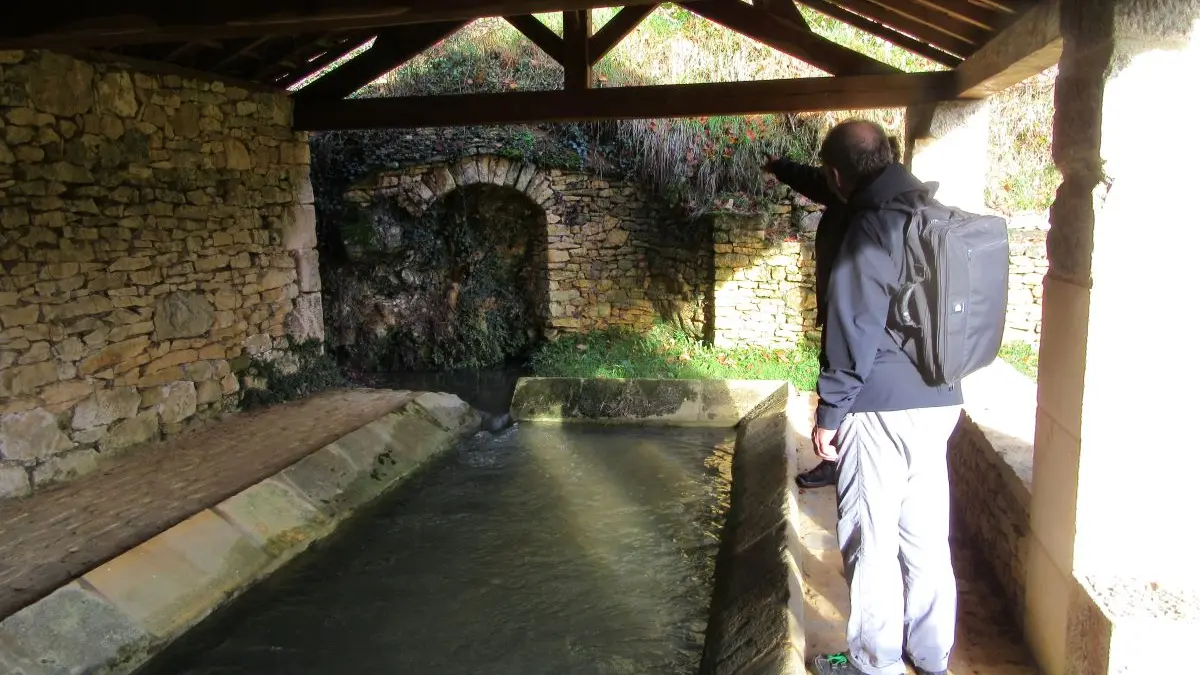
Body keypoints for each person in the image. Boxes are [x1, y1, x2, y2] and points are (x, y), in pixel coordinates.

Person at [806, 120, 963, 675]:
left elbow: (854, 324)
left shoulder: (871, 225)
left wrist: (831, 409)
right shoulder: (928, 210)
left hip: (881, 408)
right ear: (890, 155)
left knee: (870, 540)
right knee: (923, 538)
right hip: (941, 399)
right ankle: (930, 655)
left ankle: (874, 664)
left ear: (834, 174)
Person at [761, 135, 903, 489]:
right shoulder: (848, 195)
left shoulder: (877, 209)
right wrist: (779, 166)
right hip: (842, 304)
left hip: (860, 309)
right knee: (838, 366)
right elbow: (813, 179)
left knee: (848, 372)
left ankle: (836, 457)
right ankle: (835, 456)